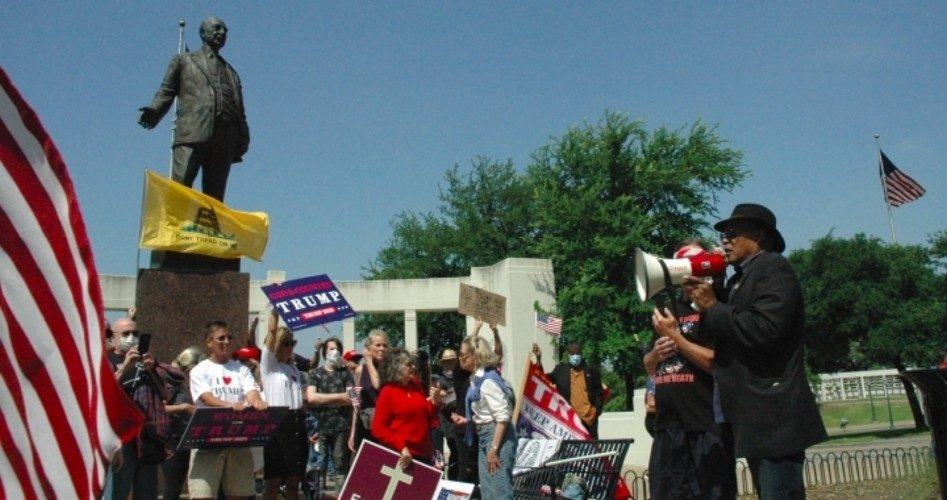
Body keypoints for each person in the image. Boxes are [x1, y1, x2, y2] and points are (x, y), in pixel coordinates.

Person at [686, 203, 827, 499]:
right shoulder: (740, 278)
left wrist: (713, 306)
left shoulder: (774, 268)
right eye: (724, 232)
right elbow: (727, 332)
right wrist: (703, 302)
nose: (725, 238)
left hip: (774, 418)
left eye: (733, 231)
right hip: (758, 419)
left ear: (760, 235)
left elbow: (764, 329)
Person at [643, 242, 734, 499]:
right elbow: (650, 367)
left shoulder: (715, 310)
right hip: (668, 425)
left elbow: (714, 362)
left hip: (705, 424)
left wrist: (676, 337)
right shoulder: (668, 311)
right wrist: (655, 354)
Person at [138, 16, 249, 202]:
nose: (222, 32)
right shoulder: (184, 60)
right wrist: (154, 111)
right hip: (192, 133)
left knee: (214, 200)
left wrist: (243, 135)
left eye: (225, 30)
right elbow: (167, 91)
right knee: (180, 191)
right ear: (203, 33)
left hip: (224, 140)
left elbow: (239, 109)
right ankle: (176, 229)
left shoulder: (232, 72)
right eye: (217, 28)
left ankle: (209, 230)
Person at [188, 320, 268, 500]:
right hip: (207, 441)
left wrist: (257, 402)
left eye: (229, 337)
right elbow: (206, 398)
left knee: (239, 495)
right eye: (220, 338)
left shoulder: (241, 369)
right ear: (209, 342)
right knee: (203, 495)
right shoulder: (200, 370)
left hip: (238, 439)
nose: (226, 342)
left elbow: (251, 392)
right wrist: (229, 406)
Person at [103, 317, 171, 500]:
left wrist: (151, 369)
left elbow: (166, 395)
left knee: (146, 492)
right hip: (121, 438)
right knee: (118, 490)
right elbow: (104, 392)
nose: (131, 337)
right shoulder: (107, 359)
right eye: (126, 334)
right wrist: (125, 367)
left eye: (135, 333)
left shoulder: (145, 361)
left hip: (146, 437)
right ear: (114, 337)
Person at [452, 336, 517, 500]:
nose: (460, 358)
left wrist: (494, 449)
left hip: (496, 436)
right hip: (485, 435)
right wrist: (467, 421)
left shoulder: (488, 380)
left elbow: (503, 417)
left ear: (476, 356)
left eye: (463, 355)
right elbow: (487, 413)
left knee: (499, 490)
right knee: (488, 491)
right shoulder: (476, 379)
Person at [261, 311, 306, 500]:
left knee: (294, 481)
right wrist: (275, 313)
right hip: (277, 423)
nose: (289, 348)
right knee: (274, 480)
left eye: (292, 343)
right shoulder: (269, 365)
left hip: (297, 422)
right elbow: (271, 332)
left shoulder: (293, 368)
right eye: (285, 343)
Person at [372, 348, 442, 468]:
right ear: (396, 367)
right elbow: (378, 428)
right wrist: (402, 448)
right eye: (409, 364)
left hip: (424, 454)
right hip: (402, 457)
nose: (413, 367)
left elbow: (426, 416)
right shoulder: (387, 392)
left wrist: (435, 403)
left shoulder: (415, 384)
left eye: (413, 363)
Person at [305, 337, 354, 496]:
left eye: (337, 348)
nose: (335, 352)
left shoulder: (346, 373)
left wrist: (323, 398)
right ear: (324, 351)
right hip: (320, 427)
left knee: (340, 466)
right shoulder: (315, 373)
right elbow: (311, 398)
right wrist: (340, 397)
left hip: (341, 426)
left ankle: (342, 495)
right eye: (331, 348)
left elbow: (352, 398)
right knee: (319, 466)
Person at [532, 342, 604, 438]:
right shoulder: (560, 370)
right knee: (570, 449)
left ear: (581, 354)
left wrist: (596, 411)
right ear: (568, 355)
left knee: (591, 449)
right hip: (569, 420)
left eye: (577, 353)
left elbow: (599, 392)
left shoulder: (591, 370)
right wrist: (539, 358)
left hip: (588, 419)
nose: (575, 356)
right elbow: (544, 379)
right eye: (572, 353)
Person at [160, 346, 201, 500]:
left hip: (192, 438)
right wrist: (183, 408)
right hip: (173, 441)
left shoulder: (188, 380)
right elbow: (158, 408)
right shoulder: (168, 379)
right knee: (173, 486)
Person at [348, 330, 389, 453]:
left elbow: (377, 384)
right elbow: (356, 404)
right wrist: (352, 433)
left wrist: (369, 361)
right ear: (368, 348)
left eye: (385, 345)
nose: (382, 348)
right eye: (378, 345)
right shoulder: (360, 370)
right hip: (365, 426)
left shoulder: (390, 369)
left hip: (385, 426)